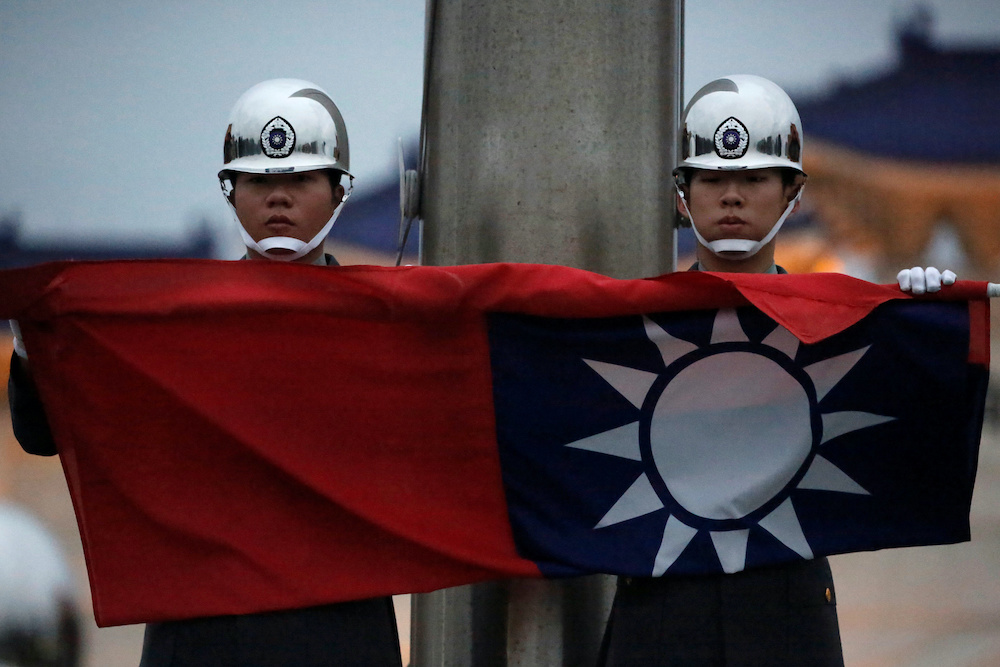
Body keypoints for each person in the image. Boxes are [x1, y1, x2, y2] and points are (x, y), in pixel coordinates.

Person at [7, 79, 403, 667]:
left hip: (340, 639)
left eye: (300, 179)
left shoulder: (389, 330)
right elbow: (42, 437)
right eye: (260, 180)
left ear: (339, 191)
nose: (278, 199)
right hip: (200, 641)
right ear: (230, 191)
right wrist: (33, 343)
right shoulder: (169, 325)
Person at [595, 74, 953, 666]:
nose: (731, 196)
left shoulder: (841, 327)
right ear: (683, 192)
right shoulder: (625, 330)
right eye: (712, 177)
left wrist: (929, 322)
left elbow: (918, 430)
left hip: (786, 608)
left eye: (754, 177)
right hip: (658, 604)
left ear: (792, 190)